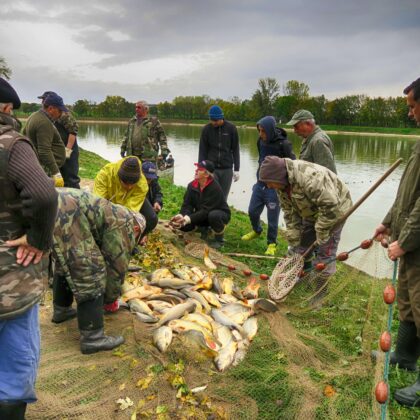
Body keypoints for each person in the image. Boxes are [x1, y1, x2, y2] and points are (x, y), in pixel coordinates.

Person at [0, 78, 58, 419]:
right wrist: (38, 239)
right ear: (7, 108)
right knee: (13, 366)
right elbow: (43, 194)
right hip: (10, 277)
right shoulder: (10, 144)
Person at [51, 189, 146, 354]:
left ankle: (62, 310)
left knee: (66, 261)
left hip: (53, 205)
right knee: (91, 268)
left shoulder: (114, 211)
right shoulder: (126, 223)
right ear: (137, 229)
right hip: (65, 211)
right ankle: (93, 338)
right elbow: (116, 266)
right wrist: (109, 299)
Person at [372, 77, 420, 408]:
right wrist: (388, 222)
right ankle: (404, 356)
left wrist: (405, 240)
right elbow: (408, 193)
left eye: (413, 106)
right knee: (407, 296)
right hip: (412, 242)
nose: (410, 113)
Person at [259, 155, 352, 282]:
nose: (268, 186)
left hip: (335, 210)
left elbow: (331, 206)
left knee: (325, 251)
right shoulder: (281, 185)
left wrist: (321, 232)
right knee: (302, 245)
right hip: (311, 210)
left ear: (278, 176)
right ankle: (301, 277)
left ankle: (320, 288)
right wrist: (294, 239)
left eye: (269, 183)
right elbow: (289, 212)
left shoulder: (310, 178)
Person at [241, 116, 295, 255]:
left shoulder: (284, 145)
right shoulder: (260, 141)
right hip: (260, 184)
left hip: (275, 188)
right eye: (259, 131)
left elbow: (293, 166)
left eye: (263, 131)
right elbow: (261, 160)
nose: (261, 134)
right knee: (252, 211)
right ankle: (256, 230)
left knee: (272, 218)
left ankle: (272, 243)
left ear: (270, 130)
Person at [170, 160, 230, 249]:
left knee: (213, 215)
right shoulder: (191, 185)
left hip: (219, 214)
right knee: (183, 226)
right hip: (202, 214)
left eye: (200, 169)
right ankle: (203, 229)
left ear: (206, 174)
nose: (196, 171)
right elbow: (187, 205)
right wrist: (182, 216)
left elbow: (206, 210)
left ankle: (219, 240)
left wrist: (188, 219)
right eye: (197, 168)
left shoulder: (214, 188)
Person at [93, 156, 157, 236]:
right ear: (119, 178)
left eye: (133, 184)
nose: (129, 187)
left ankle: (135, 241)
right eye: (125, 183)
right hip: (108, 201)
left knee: (152, 218)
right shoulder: (105, 174)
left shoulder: (142, 185)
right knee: (99, 221)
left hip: (126, 203)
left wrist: (128, 223)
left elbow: (129, 210)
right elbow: (99, 203)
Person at [38, 91, 81, 188]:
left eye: (44, 99)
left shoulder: (64, 114)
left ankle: (75, 197)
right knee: (58, 174)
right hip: (58, 149)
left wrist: (67, 150)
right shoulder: (47, 114)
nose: (42, 102)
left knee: (70, 176)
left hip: (69, 149)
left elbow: (73, 132)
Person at [22, 92, 67, 186]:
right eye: (59, 110)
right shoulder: (44, 123)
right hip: (46, 169)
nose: (61, 114)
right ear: (51, 108)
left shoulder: (34, 116)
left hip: (37, 166)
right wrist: (56, 173)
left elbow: (23, 136)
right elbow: (45, 151)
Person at [198, 105, 240, 200]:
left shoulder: (231, 128)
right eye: (212, 120)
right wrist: (200, 168)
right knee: (211, 196)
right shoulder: (206, 130)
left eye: (216, 120)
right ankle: (209, 214)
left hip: (227, 169)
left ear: (221, 118)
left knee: (223, 197)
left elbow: (236, 149)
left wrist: (237, 169)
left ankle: (221, 214)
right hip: (211, 170)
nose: (213, 122)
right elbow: (202, 151)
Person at [286, 109, 337, 173]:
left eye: (296, 127)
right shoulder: (310, 139)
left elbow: (328, 174)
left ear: (308, 124)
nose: (294, 131)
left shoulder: (318, 141)